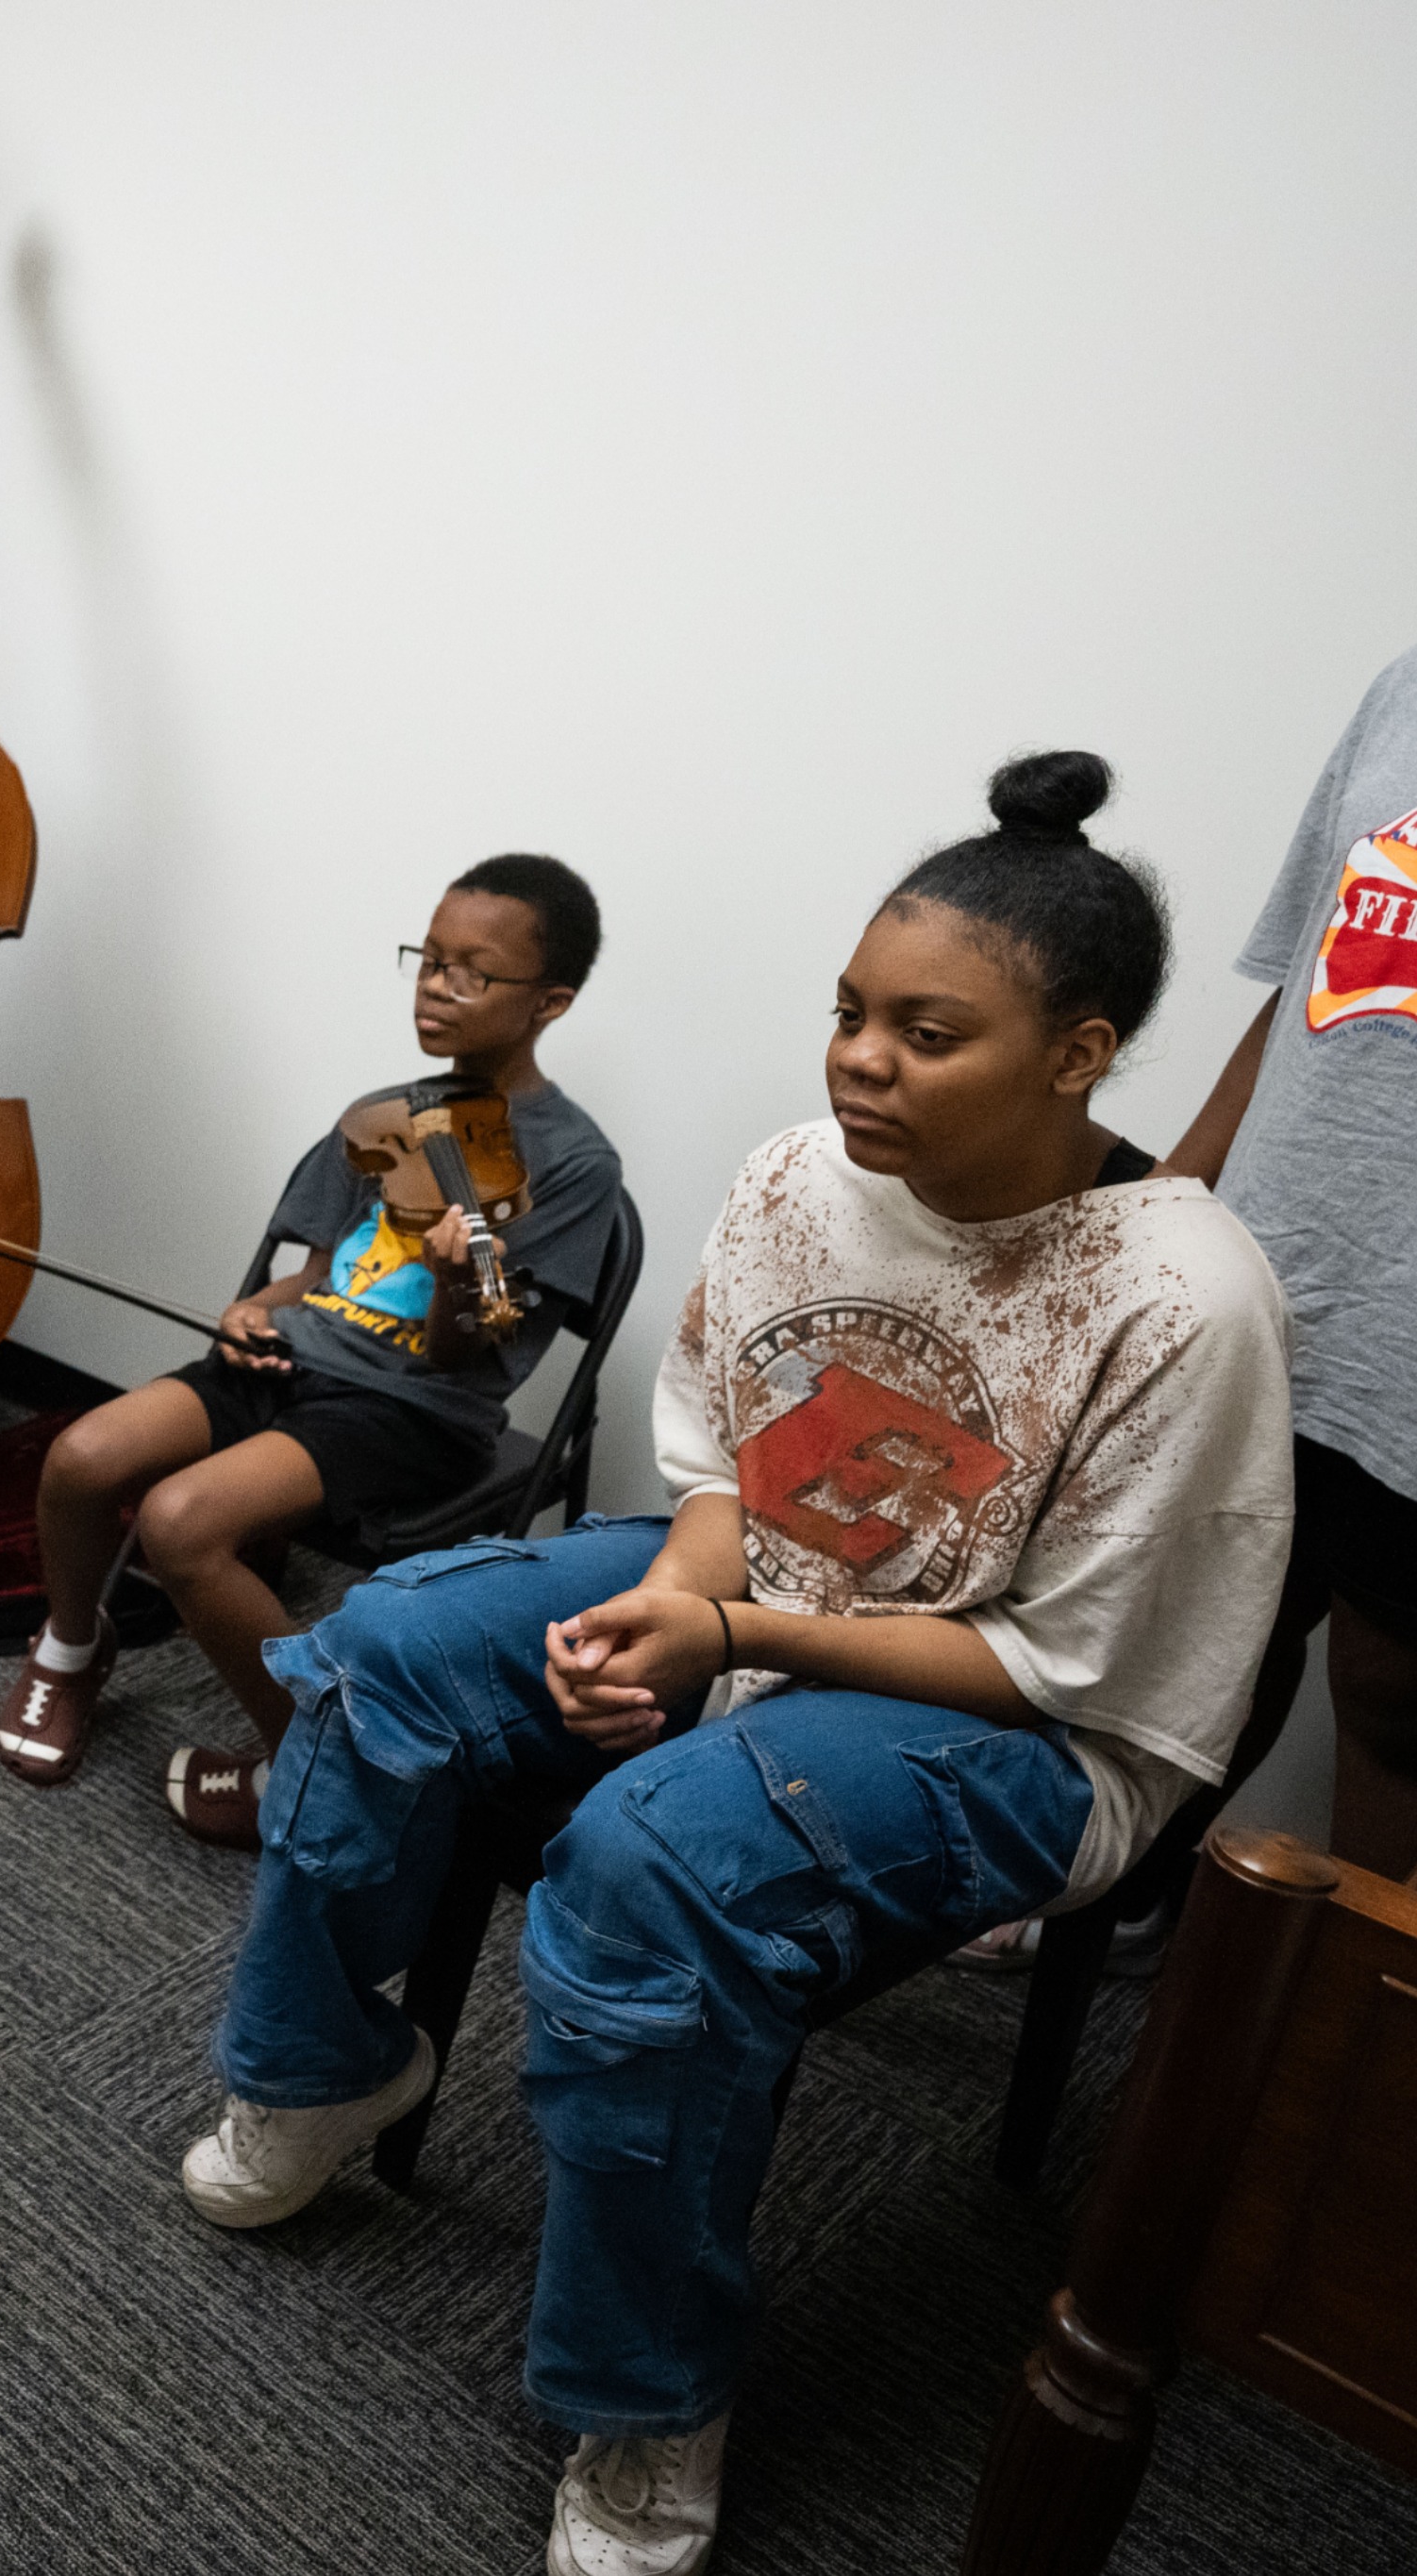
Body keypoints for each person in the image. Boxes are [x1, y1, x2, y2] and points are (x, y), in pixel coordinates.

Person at [177, 755, 1292, 2576]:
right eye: (851, 1014)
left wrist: (728, 1639)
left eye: (928, 1034)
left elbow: (1067, 1664)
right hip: (772, 1593)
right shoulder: (798, 1177)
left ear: (1078, 1055)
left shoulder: (1181, 1293)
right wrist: (686, 1608)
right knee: (388, 1647)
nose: (862, 1062)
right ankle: (327, 2064)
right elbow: (723, 1479)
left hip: (1041, 1724)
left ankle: (646, 2398)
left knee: (653, 1857)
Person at [0, 855, 624, 1840]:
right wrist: (254, 1309)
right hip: (292, 1358)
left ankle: (316, 1762)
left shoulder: (573, 1162)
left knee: (179, 1521)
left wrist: (459, 1281)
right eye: (429, 959)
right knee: (80, 1457)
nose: (436, 987)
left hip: (408, 1409)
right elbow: (323, 1277)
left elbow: (469, 1359)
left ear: (550, 1002)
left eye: (472, 973)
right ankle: (72, 1646)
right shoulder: (382, 1114)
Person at [1150, 647, 1417, 1879]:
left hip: (1403, 1334)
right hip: (1279, 1258)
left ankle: (1351, 1987)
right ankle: (1132, 1914)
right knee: (1212, 1624)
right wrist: (1169, 1196)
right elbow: (1309, 967)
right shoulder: (1404, 688)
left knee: (1390, 1683)